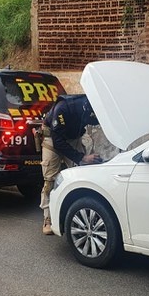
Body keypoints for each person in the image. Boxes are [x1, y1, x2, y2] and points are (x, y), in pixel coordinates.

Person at [39, 94, 102, 235]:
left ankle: (83, 213)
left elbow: (95, 121)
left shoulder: (90, 104)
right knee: (50, 179)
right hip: (53, 140)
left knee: (82, 175)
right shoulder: (63, 109)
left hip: (74, 138)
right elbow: (58, 142)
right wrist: (82, 157)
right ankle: (47, 219)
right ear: (84, 108)